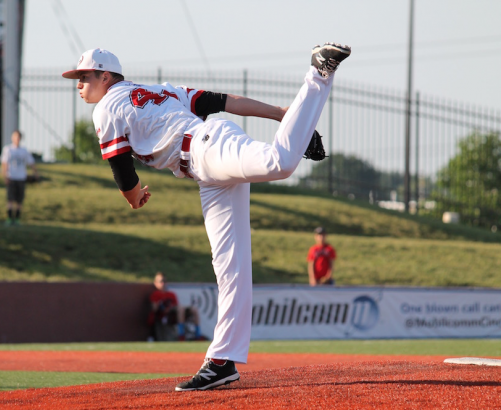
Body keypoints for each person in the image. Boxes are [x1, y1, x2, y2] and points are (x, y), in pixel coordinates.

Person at [62, 42, 351, 391]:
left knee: (282, 163)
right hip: (206, 168)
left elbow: (123, 172)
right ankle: (221, 361)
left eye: (84, 76)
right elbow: (226, 102)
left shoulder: (105, 108)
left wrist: (134, 196)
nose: (78, 84)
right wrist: (282, 115)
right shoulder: (162, 90)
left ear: (105, 76)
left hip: (207, 148)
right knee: (229, 265)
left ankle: (319, 74)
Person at [148, 272, 204, 342]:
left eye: (164, 281)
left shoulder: (171, 294)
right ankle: (181, 335)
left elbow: (176, 305)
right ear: (155, 283)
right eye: (161, 281)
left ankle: (198, 335)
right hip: (165, 315)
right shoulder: (155, 294)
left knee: (193, 309)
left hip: (174, 313)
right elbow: (154, 309)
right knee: (181, 309)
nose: (163, 283)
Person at [0, 130, 38, 226]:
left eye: (19, 137)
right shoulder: (8, 149)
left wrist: (36, 173)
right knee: (10, 199)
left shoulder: (24, 151)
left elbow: (31, 162)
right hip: (11, 176)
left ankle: (17, 219)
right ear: (12, 137)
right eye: (16, 136)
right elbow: (4, 163)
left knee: (19, 200)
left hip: (21, 177)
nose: (17, 139)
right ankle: (9, 218)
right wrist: (5, 175)